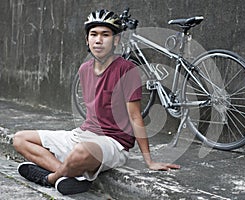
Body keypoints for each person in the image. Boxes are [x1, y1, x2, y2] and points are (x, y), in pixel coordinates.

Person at [13, 9, 180, 195]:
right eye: (93, 34)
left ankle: (51, 178)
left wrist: (149, 160)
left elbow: (135, 117)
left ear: (116, 40)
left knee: (81, 152)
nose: (98, 40)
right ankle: (68, 174)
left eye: (105, 35)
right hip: (84, 134)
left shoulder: (127, 70)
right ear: (87, 40)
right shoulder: (84, 69)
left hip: (114, 143)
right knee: (20, 139)